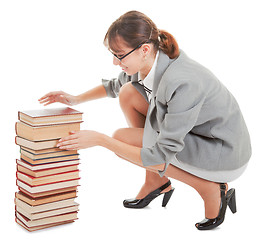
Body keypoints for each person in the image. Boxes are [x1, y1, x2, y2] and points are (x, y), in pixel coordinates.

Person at [38, 10, 251, 230]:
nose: (114, 61)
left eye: (119, 55)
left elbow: (161, 153)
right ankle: (155, 180)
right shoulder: (151, 61)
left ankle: (210, 188)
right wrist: (76, 99)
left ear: (144, 49)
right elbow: (115, 85)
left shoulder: (183, 82)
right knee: (128, 92)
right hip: (199, 135)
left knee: (123, 140)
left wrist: (102, 141)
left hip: (223, 152)